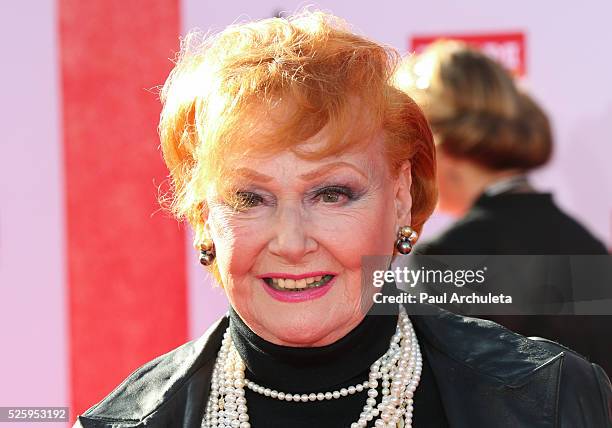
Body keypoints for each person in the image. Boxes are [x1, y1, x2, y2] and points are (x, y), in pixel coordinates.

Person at [74, 12, 612, 428]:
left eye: (331, 194)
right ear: (202, 215)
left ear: (400, 197)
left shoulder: (552, 397)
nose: (291, 241)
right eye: (249, 198)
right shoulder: (129, 419)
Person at [403, 41, 611, 374]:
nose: (410, 167)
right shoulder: (586, 244)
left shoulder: (446, 255)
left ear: (436, 142)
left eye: (413, 149)